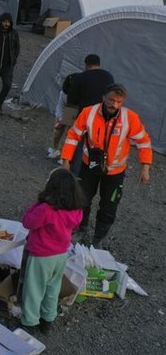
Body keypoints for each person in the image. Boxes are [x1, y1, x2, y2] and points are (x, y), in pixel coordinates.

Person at [61, 84, 152, 248]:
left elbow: (143, 141)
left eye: (119, 101)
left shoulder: (129, 118)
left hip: (115, 172)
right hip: (89, 166)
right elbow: (73, 135)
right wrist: (66, 160)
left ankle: (98, 239)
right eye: (111, 100)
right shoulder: (89, 112)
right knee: (82, 199)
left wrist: (145, 167)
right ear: (103, 97)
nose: (114, 105)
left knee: (109, 205)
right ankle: (81, 228)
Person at [20, 168, 85, 333]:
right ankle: (48, 319)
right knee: (52, 288)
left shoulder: (46, 209)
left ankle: (30, 322)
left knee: (34, 289)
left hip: (41, 256)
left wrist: (38, 202)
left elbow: (27, 222)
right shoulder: (76, 209)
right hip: (61, 255)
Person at [61, 54, 114, 173]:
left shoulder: (81, 77)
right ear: (99, 64)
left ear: (86, 64)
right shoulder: (108, 77)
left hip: (86, 114)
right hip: (104, 115)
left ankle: (76, 168)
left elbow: (72, 98)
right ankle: (97, 166)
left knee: (81, 141)